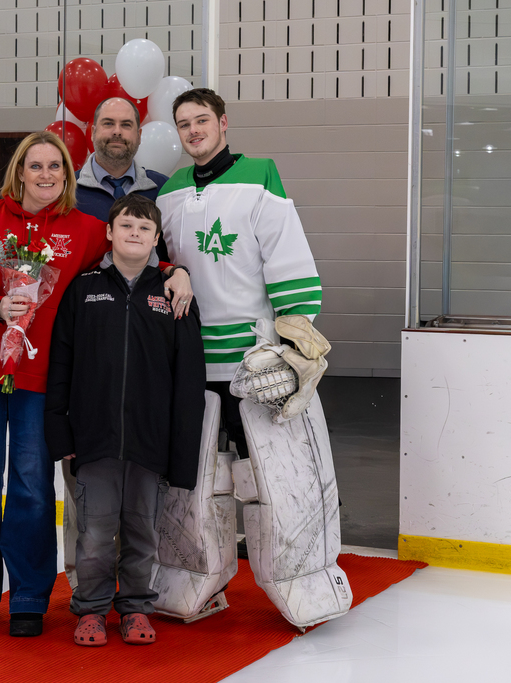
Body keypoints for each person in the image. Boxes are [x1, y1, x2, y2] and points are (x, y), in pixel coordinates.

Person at [0, 131, 192, 638]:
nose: (46, 175)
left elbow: (133, 245)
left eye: (56, 166)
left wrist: (176, 269)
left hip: (40, 375)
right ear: (19, 171)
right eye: (36, 166)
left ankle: (30, 596)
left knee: (32, 484)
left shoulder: (86, 228)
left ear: (67, 174)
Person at [44, 194, 206, 647]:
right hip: (93, 439)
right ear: (110, 233)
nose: (134, 234)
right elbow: (61, 365)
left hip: (149, 441)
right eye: (126, 226)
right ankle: (91, 611)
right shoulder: (83, 289)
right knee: (94, 533)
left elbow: (188, 379)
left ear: (157, 240)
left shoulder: (174, 295)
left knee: (142, 530)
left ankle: (136, 607)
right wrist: (60, 430)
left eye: (144, 228)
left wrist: (181, 448)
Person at [156, 87, 321, 462]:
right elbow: (159, 263)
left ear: (222, 123)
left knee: (268, 465)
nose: (193, 130)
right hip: (191, 356)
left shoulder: (259, 177)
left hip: (252, 357)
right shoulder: (169, 191)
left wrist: (293, 344)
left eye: (202, 121)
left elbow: (288, 259)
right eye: (184, 124)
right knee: (198, 470)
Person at [74, 97, 168, 224]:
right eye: (108, 123)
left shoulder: (163, 189)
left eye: (126, 125)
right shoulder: (65, 189)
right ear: (92, 133)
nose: (117, 132)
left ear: (139, 136)